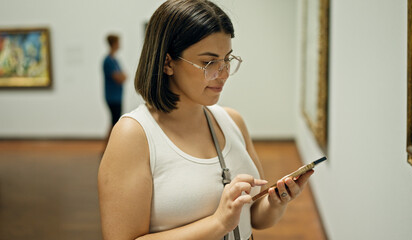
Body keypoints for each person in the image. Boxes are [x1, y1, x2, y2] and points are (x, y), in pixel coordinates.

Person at [97, 1, 313, 239]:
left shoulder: (232, 121)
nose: (223, 73)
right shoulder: (134, 135)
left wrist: (276, 201)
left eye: (227, 59)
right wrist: (218, 223)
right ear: (168, 62)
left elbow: (253, 218)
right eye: (208, 62)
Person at [103, 34, 127, 128]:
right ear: (113, 44)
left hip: (117, 96)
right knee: (115, 122)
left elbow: (123, 76)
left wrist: (122, 76)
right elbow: (119, 78)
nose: (119, 44)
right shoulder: (108, 61)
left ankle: (109, 143)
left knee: (115, 121)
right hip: (112, 97)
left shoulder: (115, 60)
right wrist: (122, 76)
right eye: (118, 42)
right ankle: (109, 143)